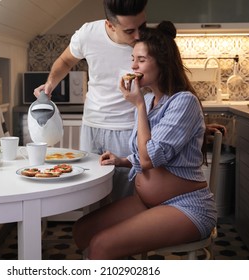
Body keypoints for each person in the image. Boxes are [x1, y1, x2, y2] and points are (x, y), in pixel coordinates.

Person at [72, 21, 217, 260]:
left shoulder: (183, 101)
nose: (133, 65)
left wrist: (137, 104)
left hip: (185, 206)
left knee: (101, 246)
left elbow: (149, 159)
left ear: (162, 62)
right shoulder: (150, 101)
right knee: (82, 231)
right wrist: (123, 160)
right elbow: (144, 150)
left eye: (141, 60)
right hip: (148, 203)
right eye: (132, 59)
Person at [34, 0, 148, 201]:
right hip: (91, 127)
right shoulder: (88, 33)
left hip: (128, 128)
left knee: (124, 199)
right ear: (110, 25)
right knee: (89, 195)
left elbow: (170, 83)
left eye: (142, 26)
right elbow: (66, 60)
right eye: (130, 31)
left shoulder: (148, 42)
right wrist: (50, 83)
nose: (139, 35)